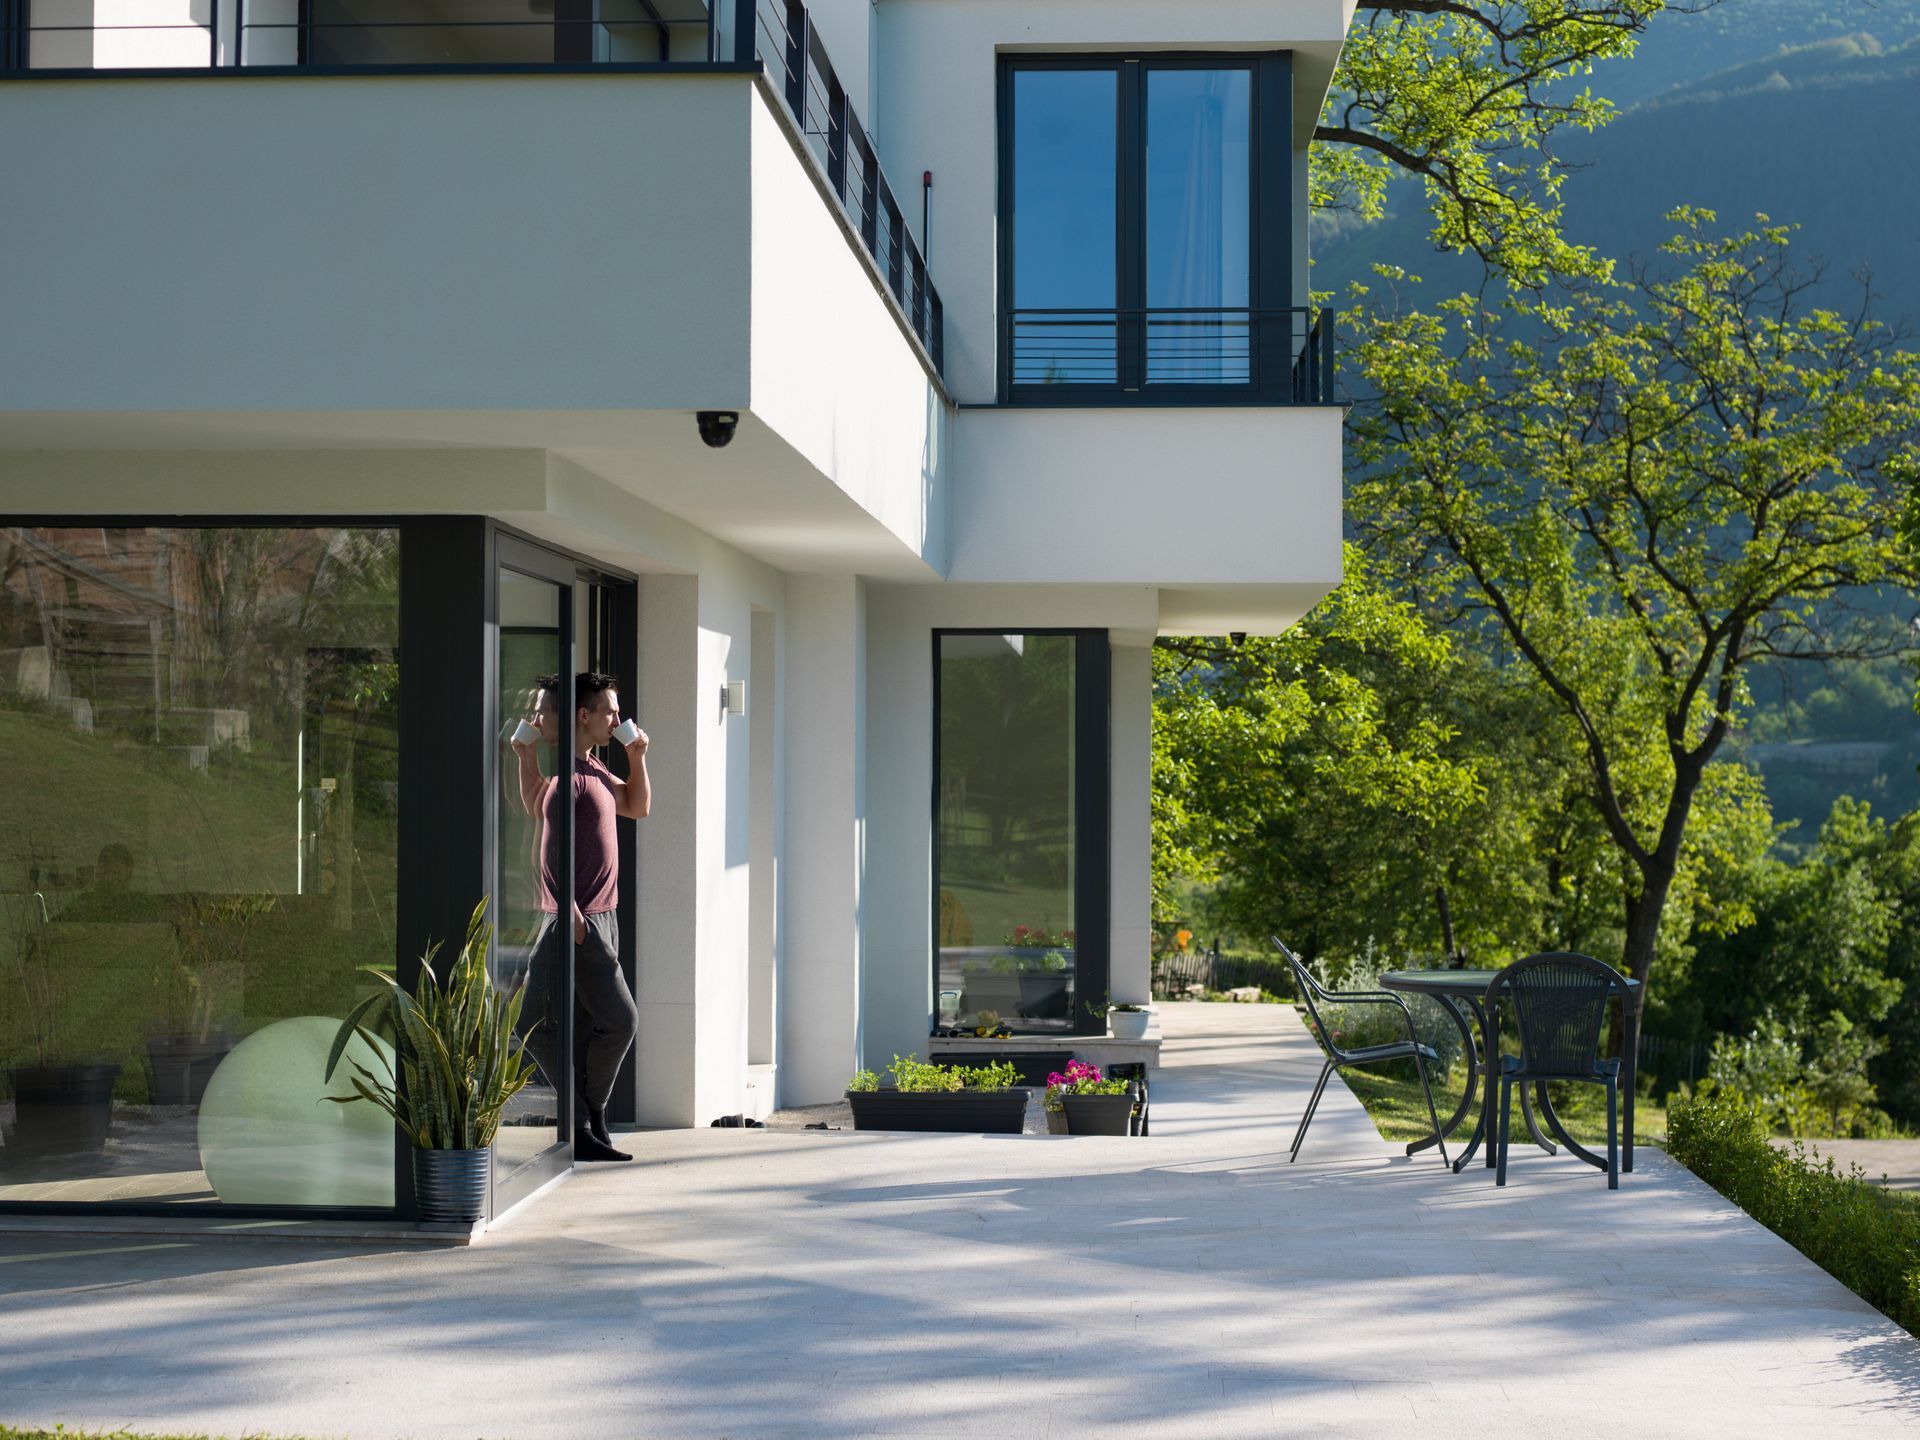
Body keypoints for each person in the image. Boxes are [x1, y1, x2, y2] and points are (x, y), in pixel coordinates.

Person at [511, 672, 650, 1163]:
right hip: (576, 919)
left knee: (599, 1023)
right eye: (609, 711)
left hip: (600, 915)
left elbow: (637, 804)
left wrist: (636, 759)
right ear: (583, 716)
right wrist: (571, 913)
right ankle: (584, 1116)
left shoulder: (591, 770)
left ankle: (589, 1121)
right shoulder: (567, 780)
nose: (617, 719)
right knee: (610, 1020)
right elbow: (545, 855)